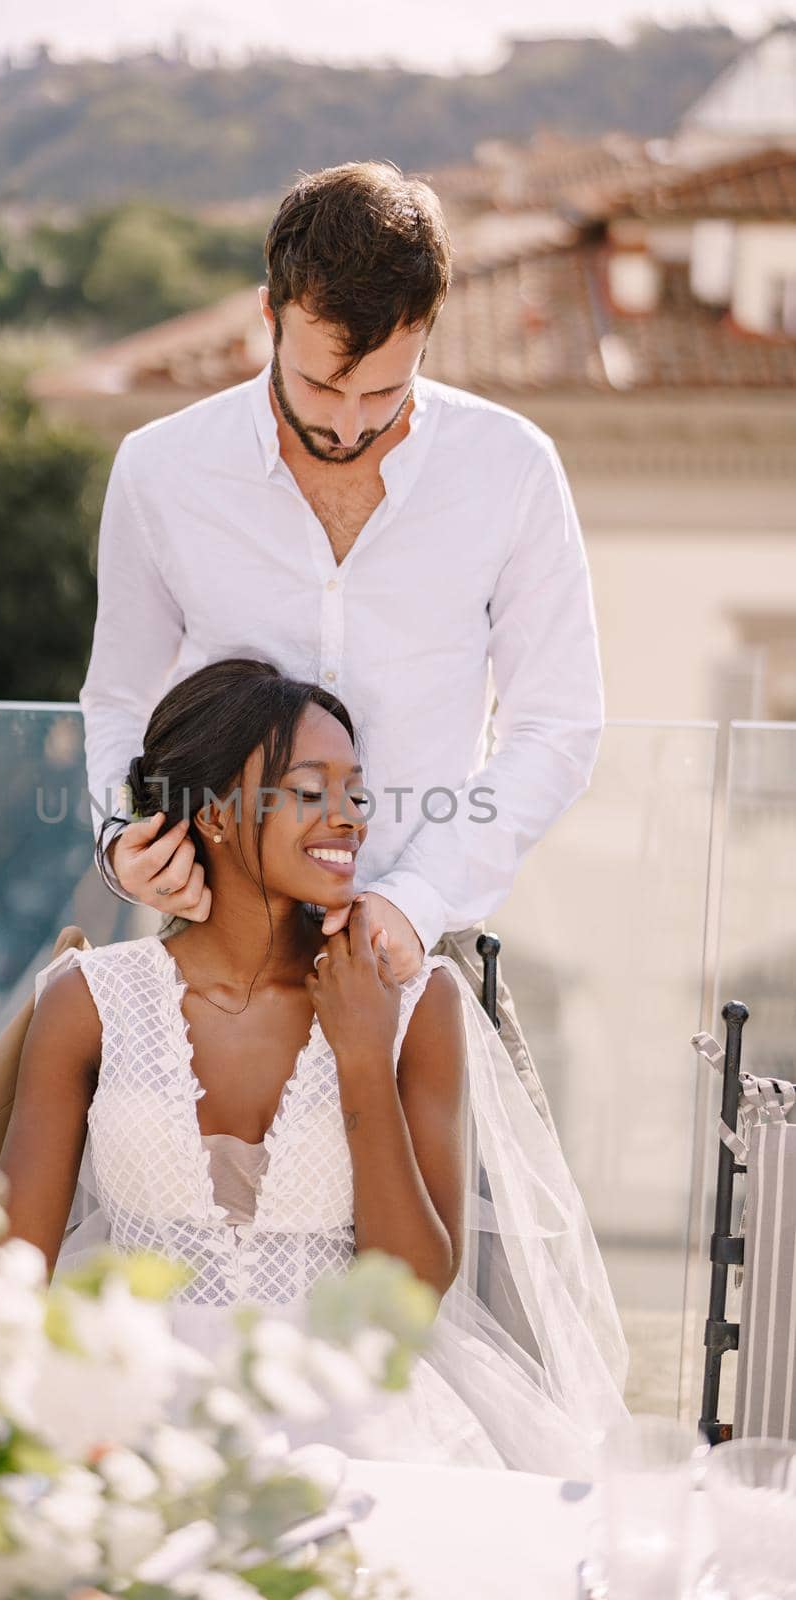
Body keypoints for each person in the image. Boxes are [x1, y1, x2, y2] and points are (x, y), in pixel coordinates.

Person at [0, 659, 628, 1475]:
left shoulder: (414, 1004)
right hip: (121, 1412)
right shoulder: (89, 999)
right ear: (213, 814)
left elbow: (412, 1295)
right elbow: (13, 1274)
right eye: (310, 789)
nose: (349, 817)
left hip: (348, 1427)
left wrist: (361, 1054)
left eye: (355, 791)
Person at [81, 160, 606, 1140]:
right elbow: (117, 697)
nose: (348, 422)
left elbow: (557, 726)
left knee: (472, 1276)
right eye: (323, 380)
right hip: (213, 952)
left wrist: (411, 901)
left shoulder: (510, 471)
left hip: (423, 950)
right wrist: (124, 835)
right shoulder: (158, 470)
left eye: (383, 389)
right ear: (267, 313)